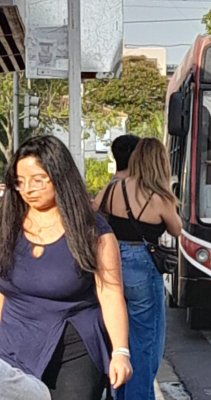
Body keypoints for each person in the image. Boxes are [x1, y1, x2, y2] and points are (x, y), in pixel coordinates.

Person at [0, 135, 132, 400]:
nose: (28, 189)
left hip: (73, 350)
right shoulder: (6, 225)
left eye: (38, 180)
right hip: (13, 346)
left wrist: (120, 351)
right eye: (20, 181)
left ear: (59, 176)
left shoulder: (93, 232)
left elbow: (110, 293)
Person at [94, 137, 182, 400]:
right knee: (145, 344)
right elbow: (177, 230)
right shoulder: (159, 197)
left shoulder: (111, 190)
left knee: (117, 343)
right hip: (142, 267)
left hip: (110, 263)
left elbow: (93, 216)